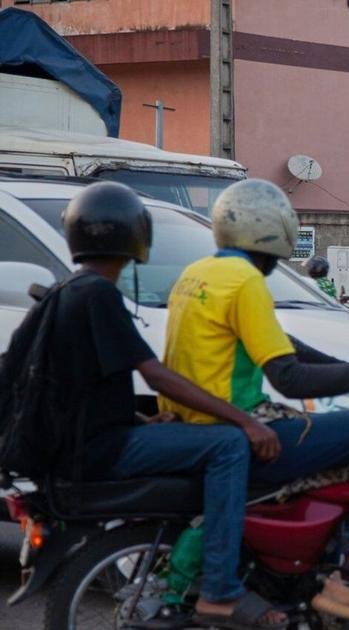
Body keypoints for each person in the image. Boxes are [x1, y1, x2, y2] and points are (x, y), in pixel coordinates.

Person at [0, 182, 296, 628]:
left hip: (83, 447)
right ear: (137, 236)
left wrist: (144, 419)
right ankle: (220, 587)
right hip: (100, 451)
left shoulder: (66, 291)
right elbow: (154, 373)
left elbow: (81, 391)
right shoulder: (100, 295)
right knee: (229, 445)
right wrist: (245, 422)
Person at [163, 179, 349, 628]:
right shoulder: (246, 281)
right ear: (272, 232)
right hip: (241, 431)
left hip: (198, 428)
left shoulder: (199, 273)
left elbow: (283, 345)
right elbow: (288, 378)